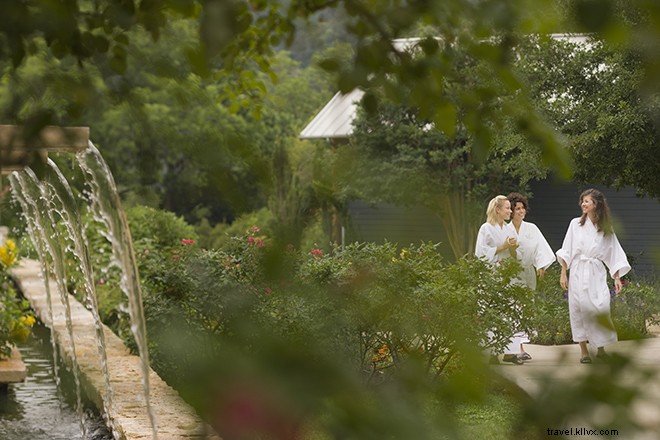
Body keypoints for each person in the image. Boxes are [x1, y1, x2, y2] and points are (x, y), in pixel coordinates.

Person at [556, 188, 630, 364]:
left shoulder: (606, 228)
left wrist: (617, 278)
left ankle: (601, 347)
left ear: (596, 204)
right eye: (582, 201)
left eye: (586, 201)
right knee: (578, 309)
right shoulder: (575, 224)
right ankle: (584, 351)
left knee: (600, 307)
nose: (583, 204)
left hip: (596, 272)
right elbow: (567, 249)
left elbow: (614, 253)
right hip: (578, 271)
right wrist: (563, 273)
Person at [506, 192, 556, 361]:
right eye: (517, 208)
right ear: (511, 211)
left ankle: (520, 346)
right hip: (510, 275)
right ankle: (516, 348)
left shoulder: (532, 228)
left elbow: (540, 247)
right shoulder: (505, 229)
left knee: (526, 309)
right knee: (513, 308)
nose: (521, 211)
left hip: (527, 273)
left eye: (522, 208)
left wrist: (541, 265)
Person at [475, 195, 523, 365]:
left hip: (507, 276)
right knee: (492, 312)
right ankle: (492, 353)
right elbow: (480, 254)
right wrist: (502, 247)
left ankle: (510, 352)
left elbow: (515, 255)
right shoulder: (486, 228)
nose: (510, 211)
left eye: (510, 208)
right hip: (491, 276)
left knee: (509, 312)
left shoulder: (509, 230)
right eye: (507, 208)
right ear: (497, 209)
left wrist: (513, 248)